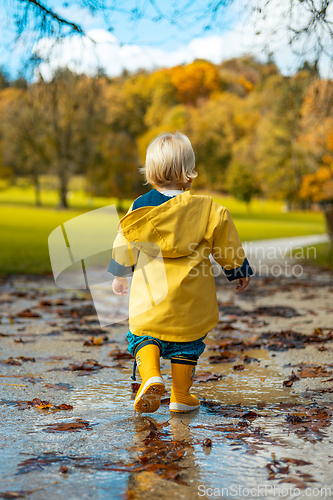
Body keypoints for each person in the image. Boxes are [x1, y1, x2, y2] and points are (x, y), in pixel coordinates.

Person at [108, 132, 253, 414]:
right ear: (189, 175)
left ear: (150, 174)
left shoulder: (139, 208)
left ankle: (150, 374)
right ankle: (180, 395)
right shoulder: (208, 210)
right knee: (186, 344)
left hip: (149, 298)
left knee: (143, 335)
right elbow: (226, 240)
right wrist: (237, 270)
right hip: (189, 300)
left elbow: (124, 241)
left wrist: (119, 274)